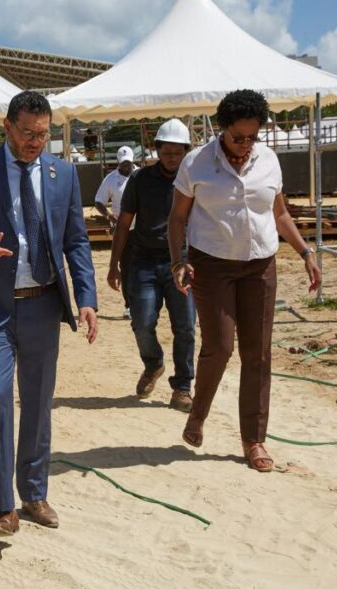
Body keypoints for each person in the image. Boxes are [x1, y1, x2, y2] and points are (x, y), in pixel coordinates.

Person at [0, 91, 98, 538]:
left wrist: (86, 297)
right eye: (27, 133)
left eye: (43, 135)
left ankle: (33, 493)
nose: (34, 142)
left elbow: (76, 241)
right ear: (6, 126)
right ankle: (4, 507)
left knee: (38, 403)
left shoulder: (62, 173)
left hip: (44, 304)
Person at [168, 89, 320, 472]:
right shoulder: (197, 163)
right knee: (219, 346)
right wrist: (178, 261)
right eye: (239, 137)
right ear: (222, 130)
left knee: (259, 353)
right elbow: (177, 218)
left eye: (254, 136)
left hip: (260, 266)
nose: (247, 144)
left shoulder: (268, 161)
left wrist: (306, 252)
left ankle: (254, 439)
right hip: (212, 264)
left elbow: (280, 213)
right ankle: (197, 414)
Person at [107, 120, 195, 412]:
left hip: (181, 263)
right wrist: (114, 265)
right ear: (157, 150)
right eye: (166, 152)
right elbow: (124, 222)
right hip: (145, 261)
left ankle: (182, 387)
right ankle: (153, 363)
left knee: (185, 327)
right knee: (141, 322)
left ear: (185, 151)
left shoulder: (194, 179)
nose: (171, 158)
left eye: (177, 152)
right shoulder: (141, 179)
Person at [95, 145, 137, 316]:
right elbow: (99, 201)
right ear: (118, 163)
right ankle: (129, 305)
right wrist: (109, 215)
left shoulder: (140, 175)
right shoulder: (111, 179)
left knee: (142, 266)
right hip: (123, 230)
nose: (126, 167)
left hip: (141, 229)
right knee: (126, 267)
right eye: (123, 164)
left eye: (128, 163)